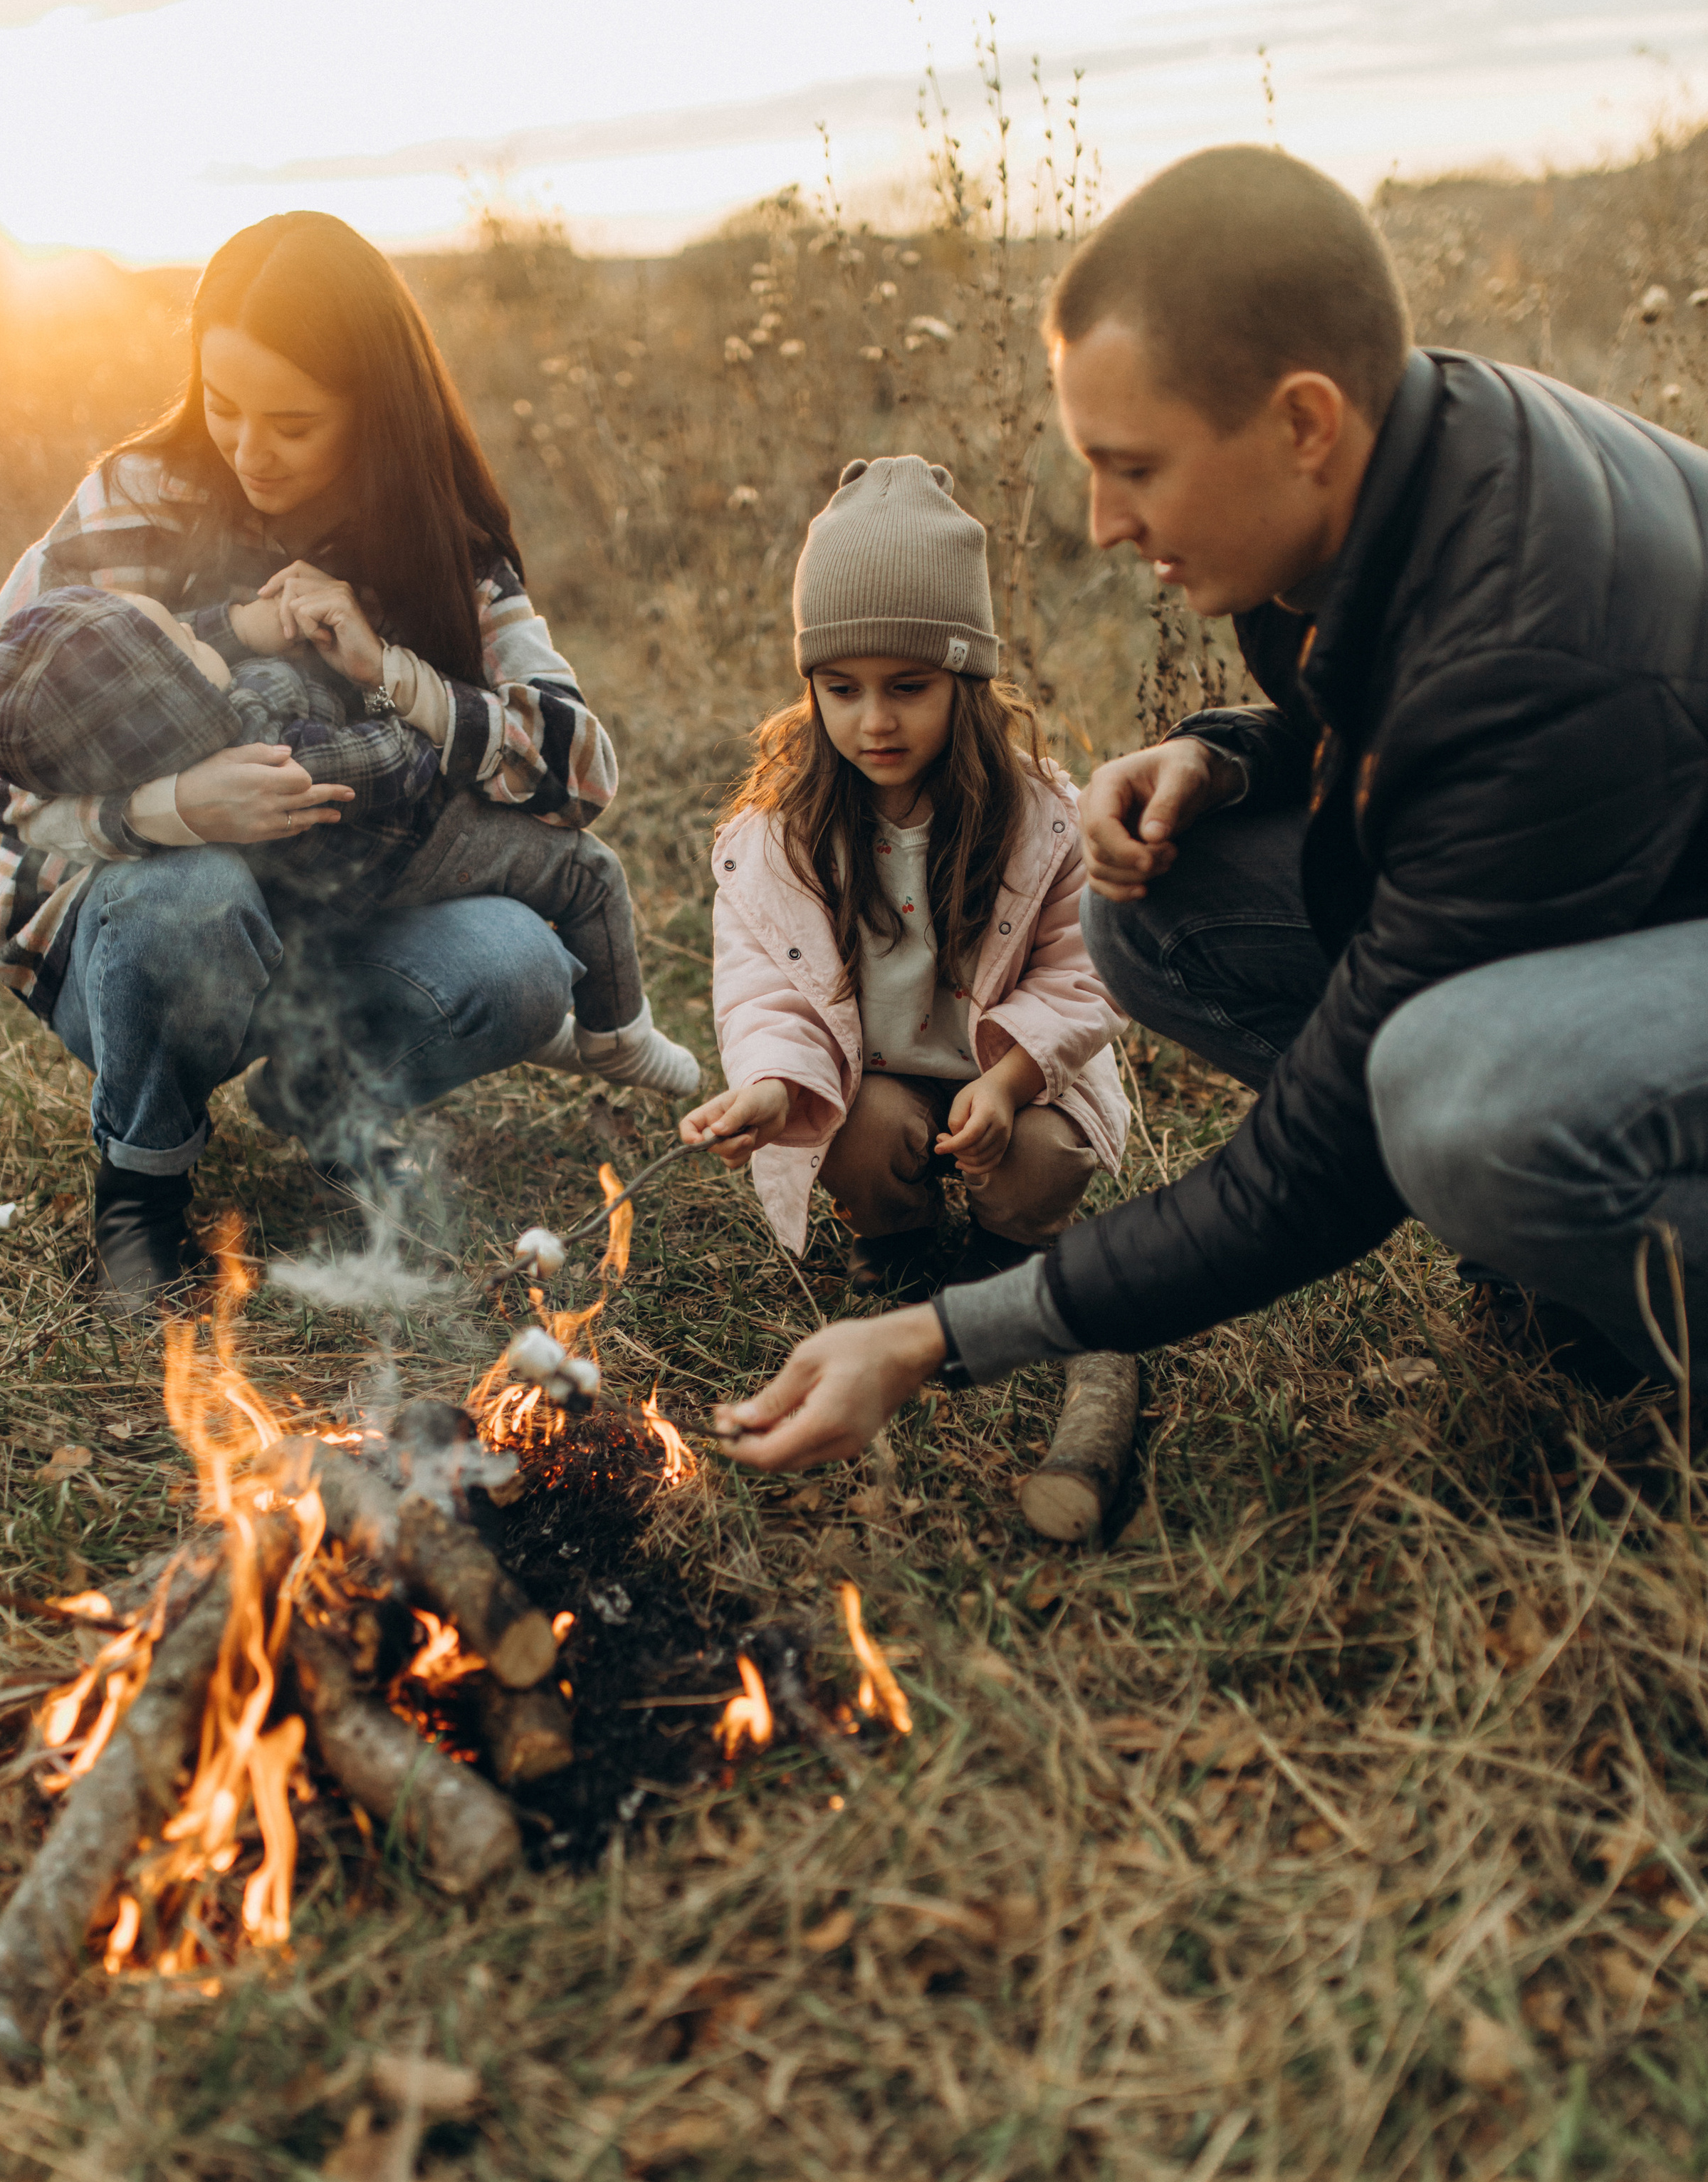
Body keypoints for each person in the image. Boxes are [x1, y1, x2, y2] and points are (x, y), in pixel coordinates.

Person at [712, 146, 1708, 1473]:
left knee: (1450, 1095)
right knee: (1151, 905)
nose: (1104, 521)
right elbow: (1380, 708)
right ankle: (1551, 1244)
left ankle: (1617, 1281)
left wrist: (939, 1337)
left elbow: (1318, 1164)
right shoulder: (1386, 463)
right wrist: (1225, 755)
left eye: (1133, 467)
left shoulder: (1533, 644)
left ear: (1302, 421)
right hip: (1636, 876)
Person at [0, 209, 694, 1311]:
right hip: (142, 939)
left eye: (294, 423)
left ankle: (322, 1098)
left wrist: (396, 670)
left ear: (374, 412)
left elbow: (583, 772)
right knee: (190, 895)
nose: (249, 450)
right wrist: (173, 808)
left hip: (349, 915)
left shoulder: (442, 545)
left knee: (521, 965)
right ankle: (141, 1195)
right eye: (224, 406)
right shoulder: (134, 499)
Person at [679, 454, 1132, 1487]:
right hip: (869, 1075)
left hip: (1021, 1075)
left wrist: (1011, 1083)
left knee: (1037, 1163)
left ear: (965, 681)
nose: (874, 722)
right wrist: (768, 1085)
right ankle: (898, 1238)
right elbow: (769, 994)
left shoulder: (1036, 817)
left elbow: (1084, 971)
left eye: (909, 689)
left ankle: (1007, 1254)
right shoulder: (782, 836)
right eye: (842, 691)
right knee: (862, 1135)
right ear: (810, 688)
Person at [0, 585, 696, 1127]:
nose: (207, 637)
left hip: (320, 902)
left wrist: (246, 625)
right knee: (584, 869)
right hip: (407, 846)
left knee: (525, 942)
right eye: (190, 645)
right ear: (179, 698)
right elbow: (396, 766)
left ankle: (314, 1093)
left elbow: (158, 653)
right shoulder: (272, 746)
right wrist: (387, 693)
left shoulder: (159, 722)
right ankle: (617, 1036)